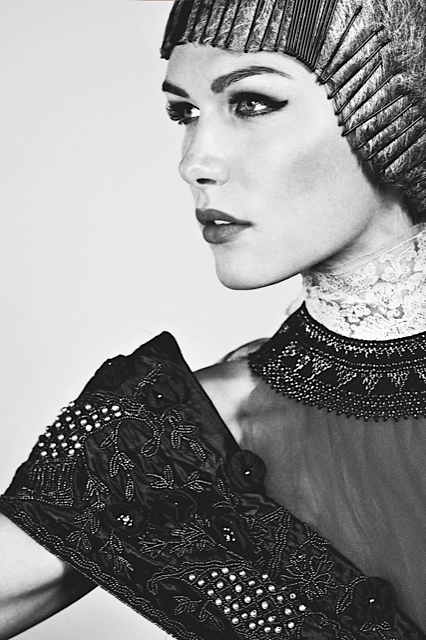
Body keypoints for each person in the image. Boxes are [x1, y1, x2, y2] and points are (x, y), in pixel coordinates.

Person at [1, 0, 426, 638]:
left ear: (398, 104)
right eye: (185, 113)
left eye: (252, 103)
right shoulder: (173, 442)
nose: (194, 162)